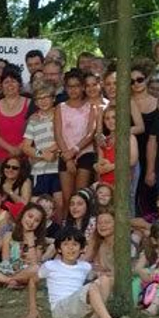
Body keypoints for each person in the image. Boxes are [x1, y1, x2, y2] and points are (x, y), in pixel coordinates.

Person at [24, 229, 127, 318]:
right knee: (91, 287)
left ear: (81, 249)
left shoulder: (84, 267)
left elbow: (100, 277)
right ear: (59, 249)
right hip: (61, 311)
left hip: (78, 307)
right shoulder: (51, 266)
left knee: (105, 280)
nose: (70, 248)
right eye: (65, 244)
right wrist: (33, 308)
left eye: (75, 244)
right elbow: (32, 281)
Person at [54, 69, 97, 218]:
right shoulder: (60, 107)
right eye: (70, 86)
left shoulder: (90, 106)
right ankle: (66, 229)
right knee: (67, 198)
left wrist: (75, 151)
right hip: (65, 155)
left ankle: (82, 230)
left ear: (83, 87)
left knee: (80, 197)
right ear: (65, 88)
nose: (73, 89)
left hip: (85, 153)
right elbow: (58, 133)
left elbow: (90, 133)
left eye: (77, 85)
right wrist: (68, 157)